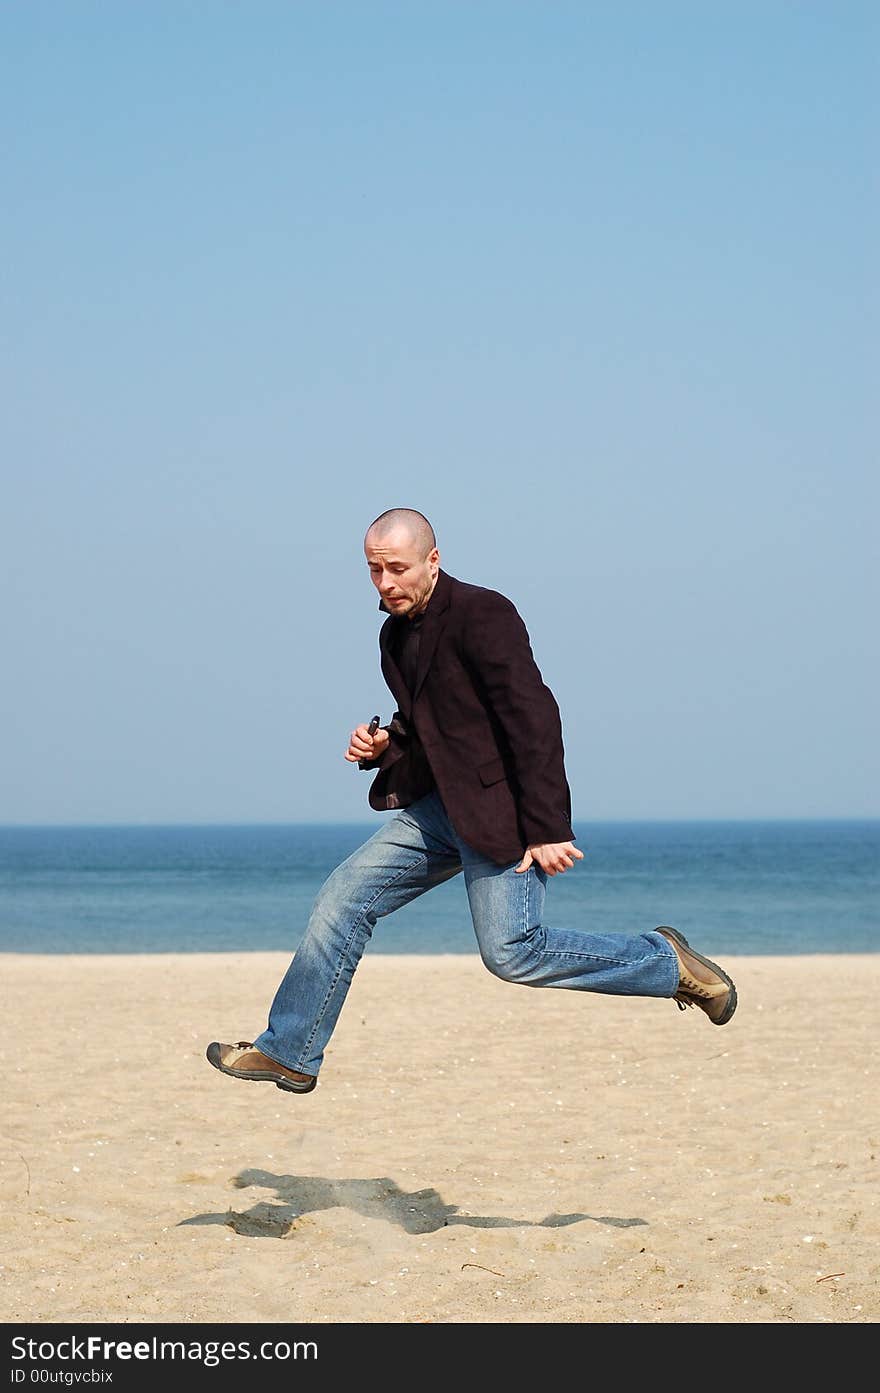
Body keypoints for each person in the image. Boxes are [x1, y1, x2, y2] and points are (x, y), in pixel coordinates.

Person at [207, 508, 737, 1095]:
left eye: (398, 569)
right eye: (374, 570)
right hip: (440, 809)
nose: (386, 583)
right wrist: (386, 744)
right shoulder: (394, 633)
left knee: (513, 953)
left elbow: (533, 715)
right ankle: (291, 1051)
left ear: (433, 560)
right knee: (341, 901)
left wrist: (546, 826)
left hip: (501, 812)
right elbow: (434, 723)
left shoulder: (485, 613)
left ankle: (666, 962)